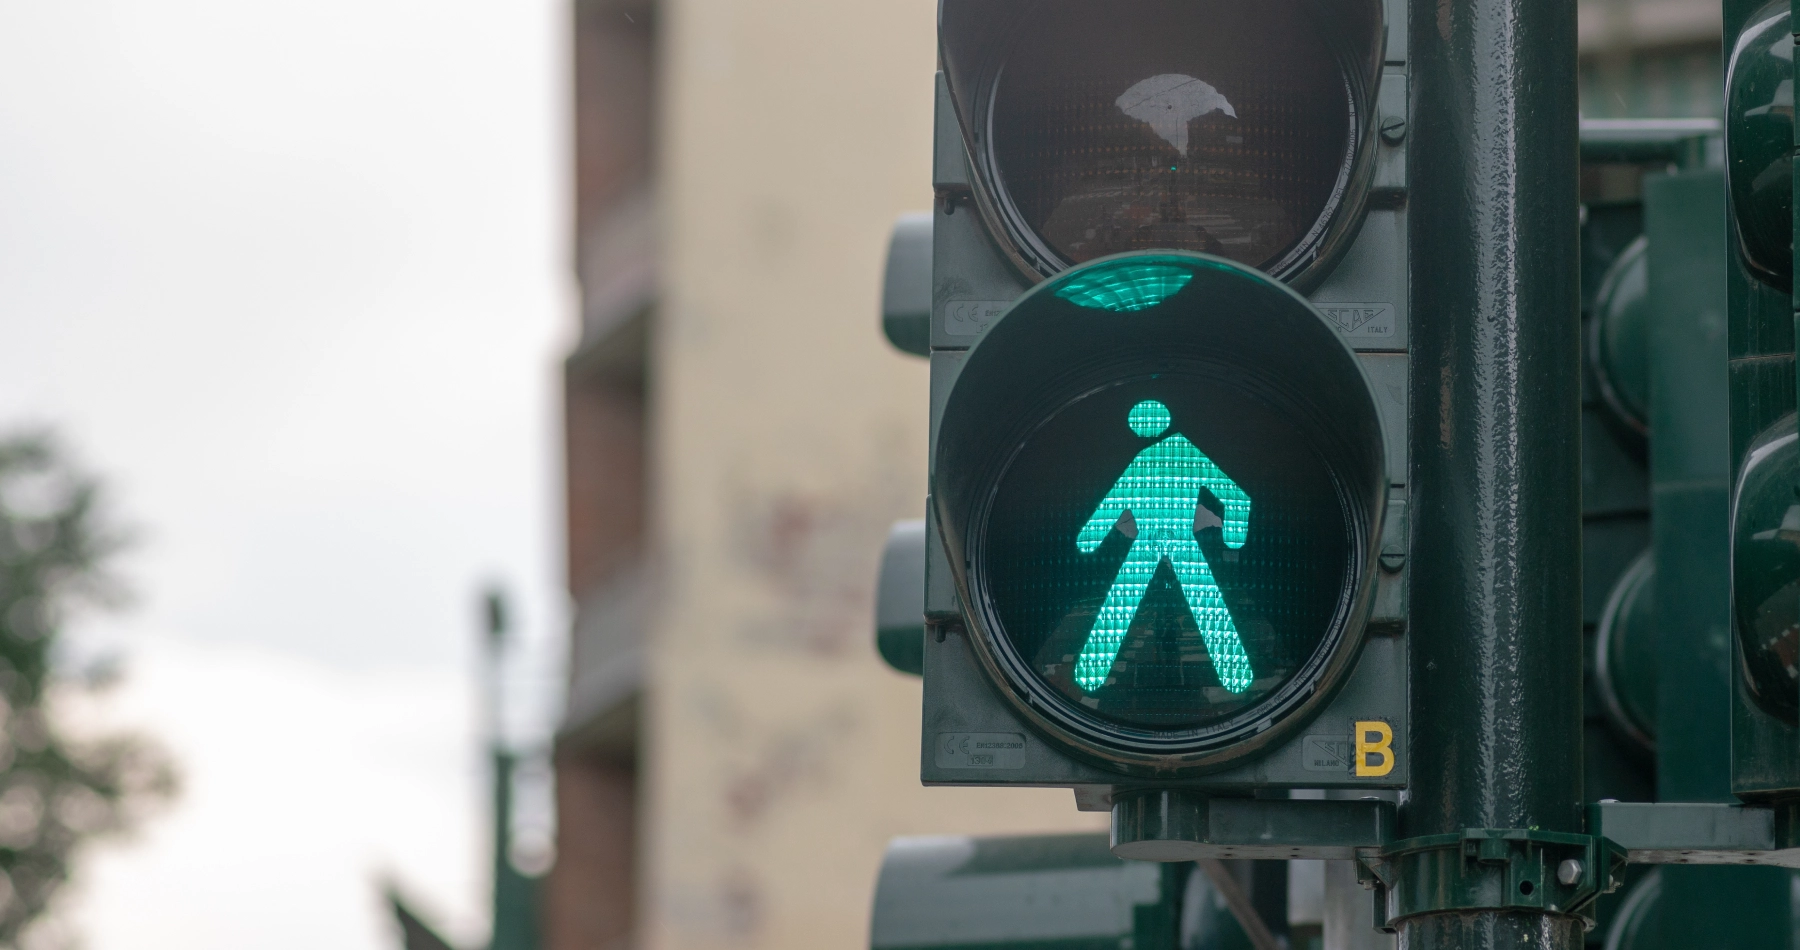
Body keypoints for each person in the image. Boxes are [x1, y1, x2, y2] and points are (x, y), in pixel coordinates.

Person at [1073, 399, 1255, 693]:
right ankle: (1236, 676)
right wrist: (1234, 535)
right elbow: (1236, 496)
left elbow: (1112, 504)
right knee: (1207, 606)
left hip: (1154, 543)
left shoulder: (1161, 456)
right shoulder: (1178, 455)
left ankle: (1089, 676)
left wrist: (1089, 538)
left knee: (1120, 604)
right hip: (1175, 542)